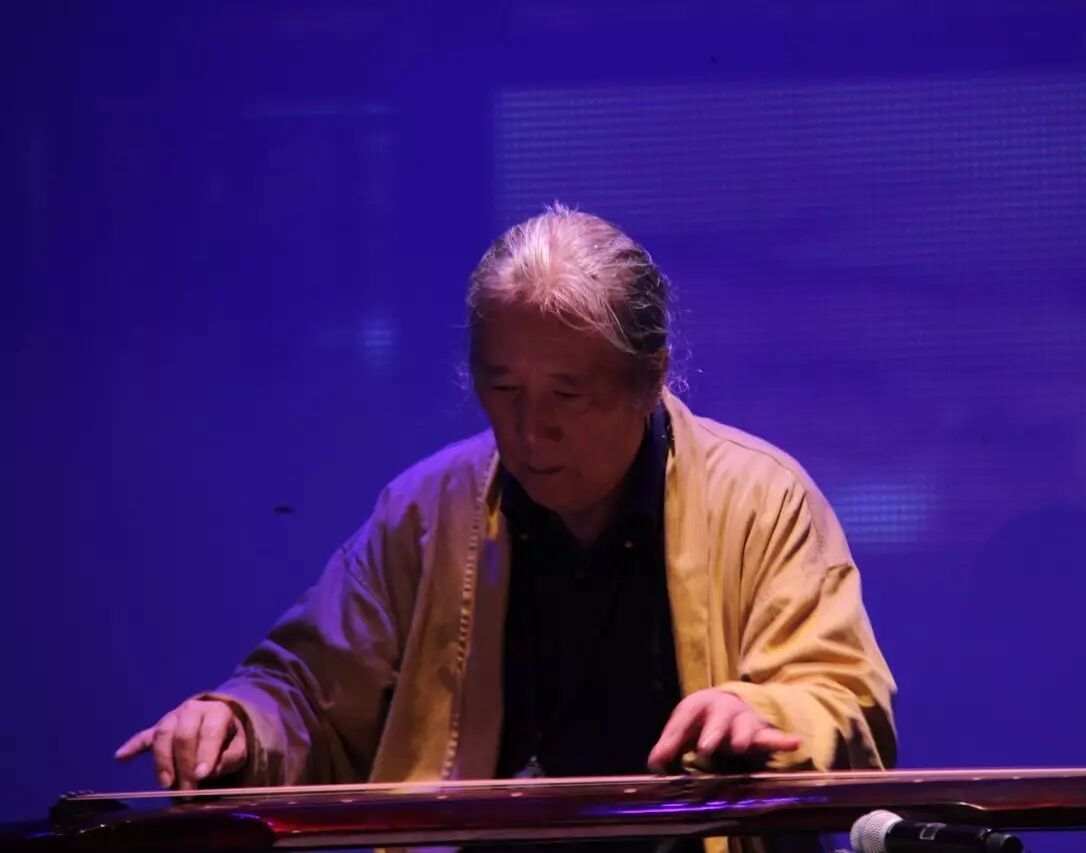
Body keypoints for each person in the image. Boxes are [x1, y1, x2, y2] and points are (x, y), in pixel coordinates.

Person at [115, 206, 896, 847]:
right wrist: (237, 723)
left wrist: (763, 714)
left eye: (567, 395)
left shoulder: (759, 499)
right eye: (503, 388)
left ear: (650, 377)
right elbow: (309, 691)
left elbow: (842, 696)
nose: (529, 430)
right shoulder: (428, 510)